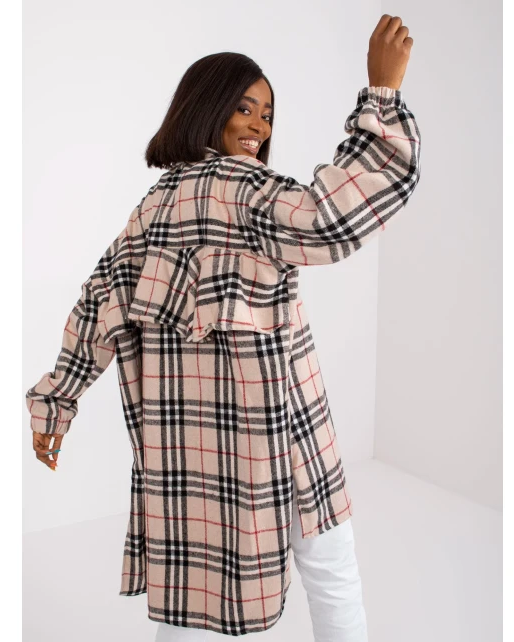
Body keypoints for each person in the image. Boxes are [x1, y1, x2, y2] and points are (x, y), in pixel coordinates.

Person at [26, 13, 419, 642]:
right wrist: (382, 95)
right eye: (244, 108)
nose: (260, 126)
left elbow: (98, 309)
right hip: (285, 430)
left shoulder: (151, 210)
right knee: (332, 570)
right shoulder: (248, 193)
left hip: (191, 452)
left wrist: (56, 401)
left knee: (192, 595)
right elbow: (336, 216)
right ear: (205, 108)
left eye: (267, 114)